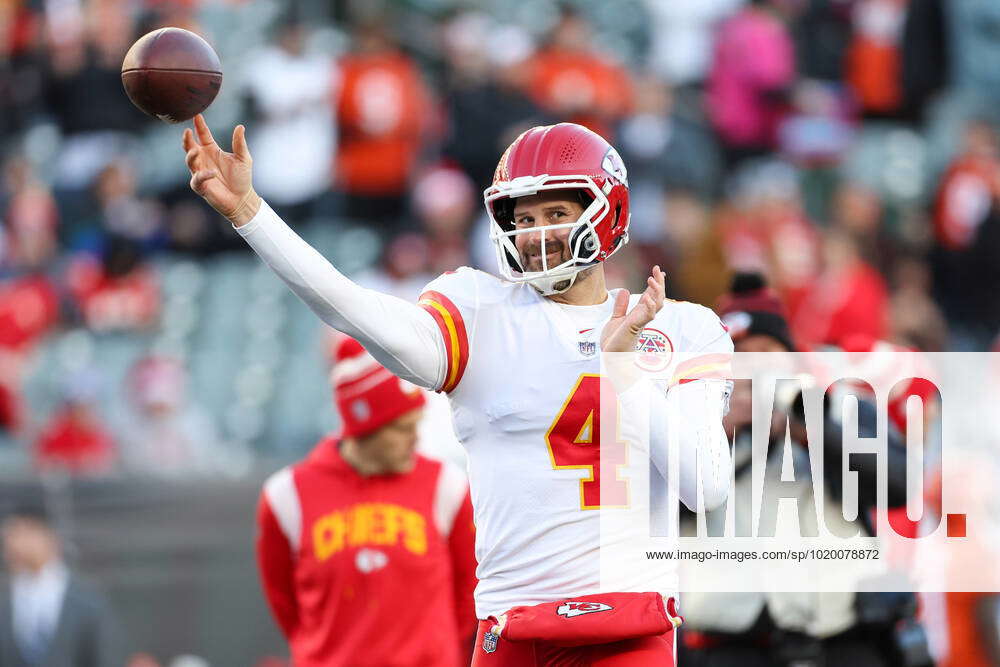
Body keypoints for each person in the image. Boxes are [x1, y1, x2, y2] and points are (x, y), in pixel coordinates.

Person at [183, 113, 733, 665]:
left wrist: (628, 373)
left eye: (558, 213)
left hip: (625, 627)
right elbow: (350, 308)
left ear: (607, 211)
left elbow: (705, 489)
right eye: (525, 216)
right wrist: (251, 215)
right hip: (509, 626)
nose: (538, 233)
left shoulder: (682, 329)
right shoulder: (479, 312)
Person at [255, 336, 478, 666]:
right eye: (402, 429)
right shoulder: (285, 495)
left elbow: (468, 596)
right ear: (365, 426)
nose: (415, 438)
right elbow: (285, 604)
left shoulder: (448, 487)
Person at [0, 503, 123, 666]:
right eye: (8, 536)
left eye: (20, 533)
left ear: (46, 535)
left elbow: (105, 658)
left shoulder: (87, 598)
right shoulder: (5, 597)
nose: (12, 544)